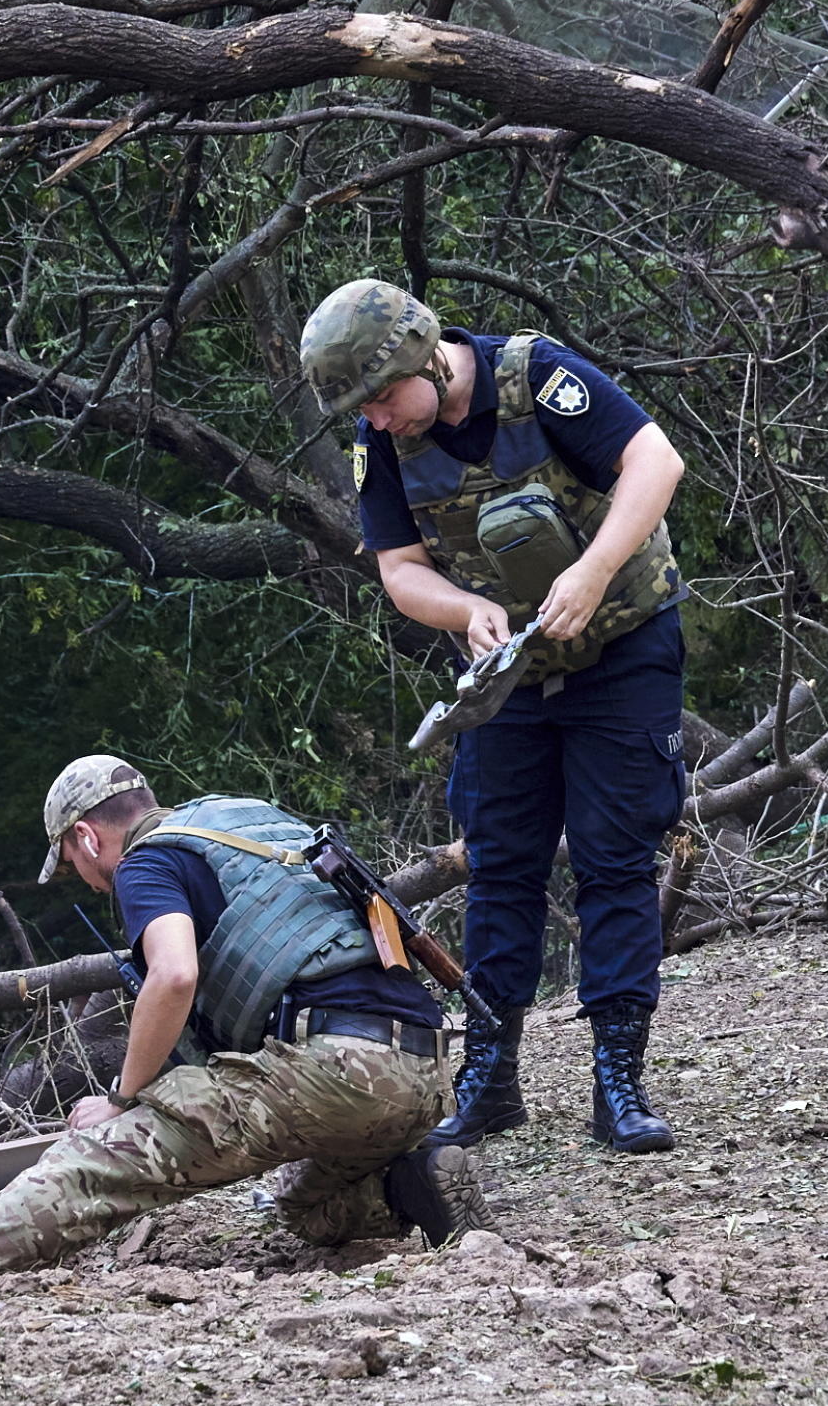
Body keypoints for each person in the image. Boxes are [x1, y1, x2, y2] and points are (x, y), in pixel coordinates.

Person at [297, 279, 688, 1155]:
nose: (382, 419)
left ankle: (618, 1081)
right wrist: (459, 612)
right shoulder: (382, 442)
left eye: (386, 397)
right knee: (502, 867)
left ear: (427, 357)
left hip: (622, 646)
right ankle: (490, 1079)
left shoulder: (536, 376)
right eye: (363, 410)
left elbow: (656, 463)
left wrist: (590, 573)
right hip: (506, 676)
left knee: (614, 859)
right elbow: (399, 567)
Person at [0, 756, 489, 1274]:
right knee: (306, 1205)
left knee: (92, 1160)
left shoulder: (143, 865)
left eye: (73, 865)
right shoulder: (240, 822)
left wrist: (122, 1099)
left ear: (86, 837)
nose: (87, 880)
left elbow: (173, 975)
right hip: (422, 1069)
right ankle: (419, 1184)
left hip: (335, 1068)